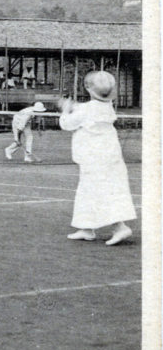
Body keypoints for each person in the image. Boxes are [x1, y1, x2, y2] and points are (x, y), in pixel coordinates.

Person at [59, 71, 137, 245]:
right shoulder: (107, 106)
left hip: (94, 159)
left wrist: (65, 109)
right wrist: (73, 106)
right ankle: (86, 228)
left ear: (88, 88)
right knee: (89, 191)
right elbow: (87, 109)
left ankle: (120, 227)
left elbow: (66, 124)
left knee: (99, 191)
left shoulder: (87, 109)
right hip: (109, 157)